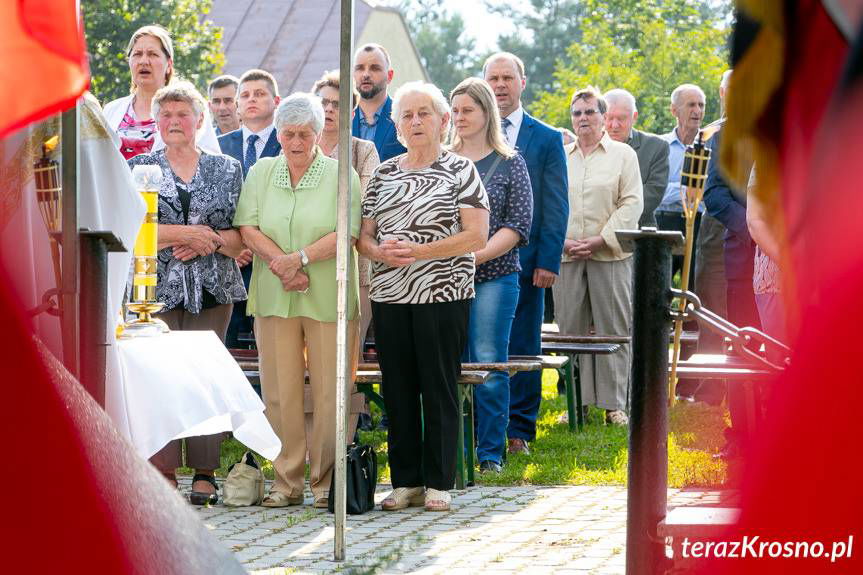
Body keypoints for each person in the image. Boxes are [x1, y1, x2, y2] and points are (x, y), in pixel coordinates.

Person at [358, 82, 489, 511]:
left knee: (437, 385)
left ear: (442, 121)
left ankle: (439, 481)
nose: (415, 122)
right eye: (407, 116)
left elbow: (475, 235)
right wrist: (379, 252)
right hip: (389, 293)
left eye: (424, 114)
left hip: (443, 292)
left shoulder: (461, 170)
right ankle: (406, 481)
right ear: (396, 126)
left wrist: (420, 252)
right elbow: (364, 238)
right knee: (397, 387)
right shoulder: (383, 173)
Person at [233, 93, 362, 508]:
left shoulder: (342, 174)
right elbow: (247, 227)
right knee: (279, 391)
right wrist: (282, 265)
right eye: (288, 133)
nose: (295, 141)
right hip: (273, 292)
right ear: (278, 134)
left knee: (329, 391)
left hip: (328, 295)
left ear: (319, 134)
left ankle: (325, 483)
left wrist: (300, 259)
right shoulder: (261, 171)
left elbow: (348, 232)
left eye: (304, 133)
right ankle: (285, 482)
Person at [127, 81, 248, 505]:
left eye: (183, 114)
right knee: (160, 379)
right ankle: (160, 472)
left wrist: (208, 240)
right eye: (166, 115)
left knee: (205, 378)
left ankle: (204, 473)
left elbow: (243, 236)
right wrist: (185, 233)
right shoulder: (140, 167)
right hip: (153, 290)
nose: (174, 122)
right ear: (156, 123)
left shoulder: (228, 169)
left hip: (214, 288)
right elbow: (132, 229)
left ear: (199, 120)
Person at [483, 52, 568, 455]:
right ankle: (484, 424)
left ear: (523, 82)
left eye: (507, 78)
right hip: (478, 264)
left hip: (529, 261)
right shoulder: (471, 135)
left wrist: (549, 260)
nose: (500, 85)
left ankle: (519, 429)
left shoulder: (546, 138)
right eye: (493, 78)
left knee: (522, 344)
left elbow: (556, 203)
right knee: (482, 347)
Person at [450, 78, 532, 474]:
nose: (460, 117)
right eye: (456, 110)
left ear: (487, 113)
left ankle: (489, 454)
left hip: (494, 278)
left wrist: (474, 256)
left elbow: (516, 226)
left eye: (468, 110)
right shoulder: (443, 161)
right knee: (448, 362)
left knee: (488, 361)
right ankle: (452, 448)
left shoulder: (510, 161)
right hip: (443, 277)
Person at [552, 87, 643, 426]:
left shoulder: (623, 155)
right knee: (571, 330)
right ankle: (578, 403)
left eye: (590, 112)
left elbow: (631, 202)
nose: (584, 118)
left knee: (613, 328)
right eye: (577, 113)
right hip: (567, 255)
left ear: (604, 118)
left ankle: (613, 404)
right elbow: (551, 204)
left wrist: (599, 240)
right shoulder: (561, 156)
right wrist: (564, 242)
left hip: (610, 255)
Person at [312, 70, 381, 437]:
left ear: (352, 111)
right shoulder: (297, 144)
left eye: (337, 104)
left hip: (356, 272)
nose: (328, 110)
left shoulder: (362, 150)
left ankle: (343, 442)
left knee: (345, 362)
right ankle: (310, 443)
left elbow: (364, 206)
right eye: (323, 102)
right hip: (303, 272)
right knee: (308, 362)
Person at [703, 123, 758, 460]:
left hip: (797, 257)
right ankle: (743, 435)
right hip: (743, 256)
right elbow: (715, 194)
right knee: (743, 350)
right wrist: (753, 226)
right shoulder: (727, 135)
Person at [219, 69, 283, 348]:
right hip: (230, 259)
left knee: (270, 346)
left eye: (259, 94)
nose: (251, 100)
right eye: (244, 95)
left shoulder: (288, 142)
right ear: (237, 104)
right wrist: (235, 245)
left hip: (274, 257)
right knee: (228, 344)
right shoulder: (218, 146)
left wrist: (257, 245)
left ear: (276, 100)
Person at [103, 25, 219, 159]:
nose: (144, 61)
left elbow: (212, 162)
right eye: (137, 54)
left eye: (153, 54)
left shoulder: (192, 107)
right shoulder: (111, 110)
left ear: (169, 65)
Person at [655, 83, 706, 290]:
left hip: (701, 227)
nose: (697, 111)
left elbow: (709, 189)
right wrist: (685, 190)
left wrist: (674, 189)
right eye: (691, 105)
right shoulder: (660, 146)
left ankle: (692, 325)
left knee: (696, 290)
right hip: (665, 224)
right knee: (658, 289)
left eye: (701, 105)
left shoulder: (710, 146)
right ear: (674, 110)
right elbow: (656, 189)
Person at [603, 88, 669, 228]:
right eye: (609, 118)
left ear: (634, 116)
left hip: (638, 234)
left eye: (621, 118)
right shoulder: (587, 147)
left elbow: (652, 194)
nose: (614, 125)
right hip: (591, 233)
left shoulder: (656, 147)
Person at [351, 43, 407, 162]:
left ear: (389, 76)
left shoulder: (404, 117)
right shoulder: (341, 119)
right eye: (360, 68)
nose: (366, 74)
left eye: (375, 68)